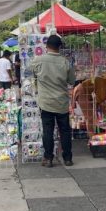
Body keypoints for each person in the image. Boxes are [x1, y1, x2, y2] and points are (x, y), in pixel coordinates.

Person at [31, 35, 76, 167]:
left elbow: (32, 73)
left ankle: (48, 158)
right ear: (60, 47)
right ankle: (67, 158)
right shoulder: (65, 62)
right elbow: (72, 81)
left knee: (48, 131)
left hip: (46, 102)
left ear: (47, 46)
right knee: (65, 131)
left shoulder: (38, 60)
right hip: (61, 102)